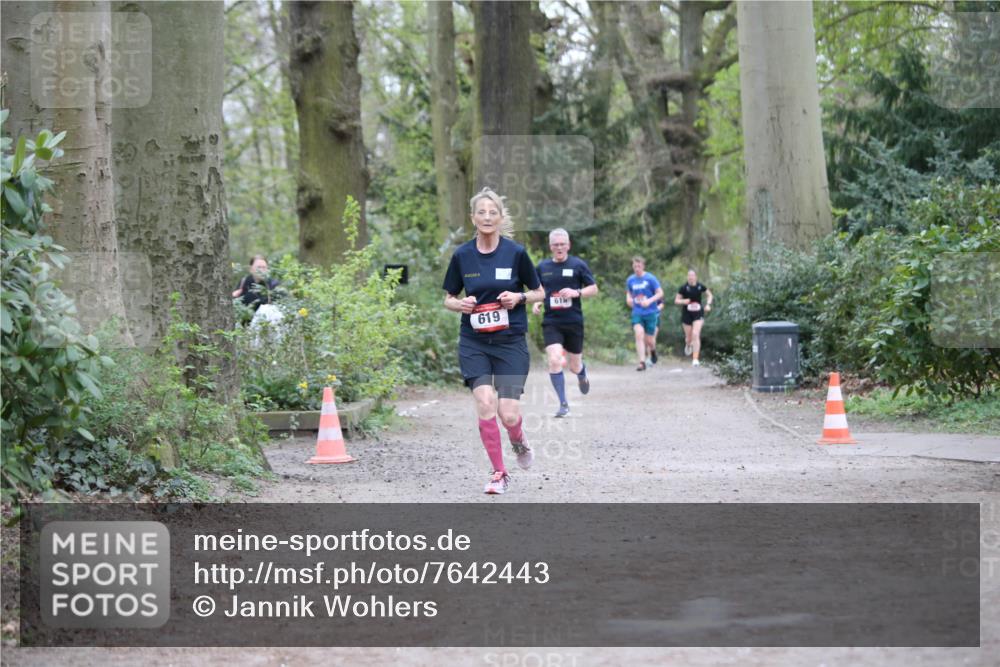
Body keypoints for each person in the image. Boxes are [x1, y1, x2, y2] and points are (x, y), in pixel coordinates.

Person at [443, 188, 545, 495]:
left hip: (510, 342)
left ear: (500, 218)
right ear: (473, 218)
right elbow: (448, 297)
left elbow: (540, 292)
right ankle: (499, 473)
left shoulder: (515, 253)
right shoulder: (462, 255)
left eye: (493, 212)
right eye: (481, 212)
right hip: (474, 342)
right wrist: (459, 305)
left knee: (508, 413)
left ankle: (518, 439)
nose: (487, 217)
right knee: (485, 403)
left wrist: (519, 297)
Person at [531, 228, 598, 418]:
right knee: (554, 360)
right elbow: (539, 289)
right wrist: (536, 302)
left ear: (568, 245)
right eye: (556, 245)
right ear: (550, 247)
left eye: (562, 244)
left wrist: (577, 292)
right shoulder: (542, 267)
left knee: (574, 365)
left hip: (574, 322)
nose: (559, 247)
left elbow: (593, 288)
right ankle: (563, 404)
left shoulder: (578, 265)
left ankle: (581, 373)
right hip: (552, 321)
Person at [626, 256, 663, 371]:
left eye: (639, 266)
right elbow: (629, 293)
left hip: (650, 312)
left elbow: (660, 293)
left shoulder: (650, 278)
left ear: (643, 266)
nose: (637, 268)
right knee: (638, 334)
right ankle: (641, 362)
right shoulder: (630, 280)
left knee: (649, 341)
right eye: (635, 266)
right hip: (637, 312)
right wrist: (628, 299)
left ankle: (652, 351)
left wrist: (650, 301)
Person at [674, 269, 713, 367]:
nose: (690, 277)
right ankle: (688, 344)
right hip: (687, 314)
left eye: (692, 275)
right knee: (689, 338)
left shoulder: (700, 286)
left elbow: (710, 295)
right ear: (687, 277)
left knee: (695, 334)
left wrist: (708, 304)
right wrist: (684, 301)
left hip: (698, 313)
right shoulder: (683, 288)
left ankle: (695, 359)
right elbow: (676, 300)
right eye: (689, 275)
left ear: (696, 277)